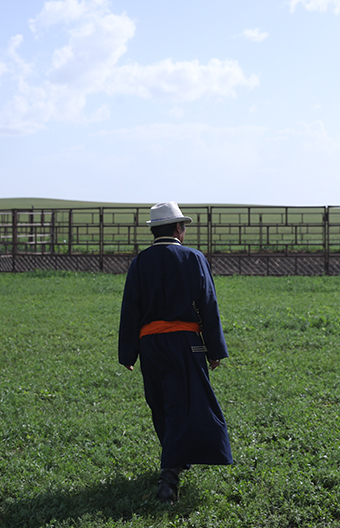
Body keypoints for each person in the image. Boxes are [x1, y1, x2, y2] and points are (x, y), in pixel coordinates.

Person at [118, 201, 233, 503]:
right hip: (187, 344)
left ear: (155, 230)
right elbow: (208, 304)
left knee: (162, 405)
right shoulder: (194, 258)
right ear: (179, 229)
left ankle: (176, 460)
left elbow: (130, 309)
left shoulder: (140, 262)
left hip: (151, 346)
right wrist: (214, 349)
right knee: (186, 404)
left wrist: (128, 354)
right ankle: (169, 478)